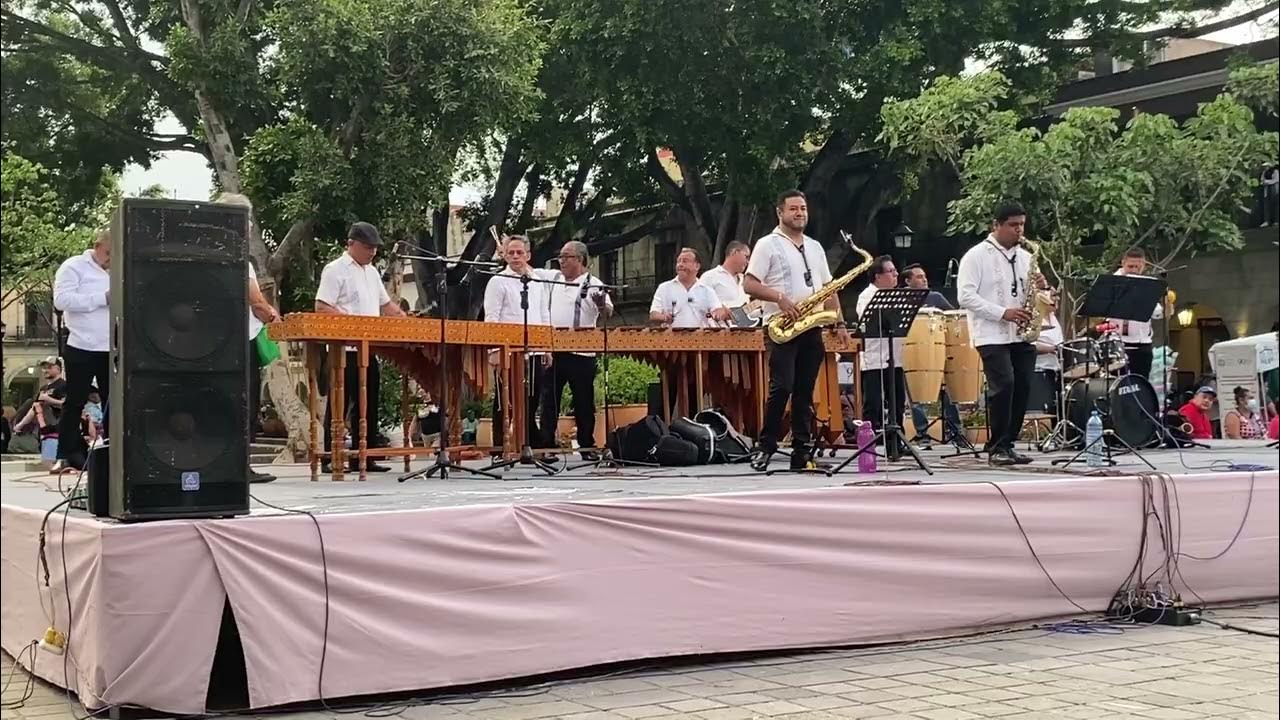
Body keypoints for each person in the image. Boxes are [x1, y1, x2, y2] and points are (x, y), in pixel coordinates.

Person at [743, 190, 851, 471]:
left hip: (811, 325)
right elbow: (749, 284)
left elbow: (829, 289)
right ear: (780, 213)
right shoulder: (767, 244)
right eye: (793, 209)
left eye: (803, 208)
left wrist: (838, 323)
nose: (800, 213)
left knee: (805, 390)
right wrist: (779, 298)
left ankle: (801, 451)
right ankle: (766, 446)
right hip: (781, 325)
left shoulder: (815, 246)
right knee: (782, 387)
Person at [315, 221, 406, 473]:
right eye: (367, 247)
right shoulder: (335, 270)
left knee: (368, 403)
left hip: (369, 348)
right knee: (339, 404)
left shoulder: (373, 272)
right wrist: (352, 324)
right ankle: (329, 456)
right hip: (343, 350)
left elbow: (386, 306)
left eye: (375, 248)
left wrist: (407, 322)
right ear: (351, 244)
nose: (372, 252)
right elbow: (322, 307)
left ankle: (363, 455)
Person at [956, 202, 1037, 466]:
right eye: (1013, 225)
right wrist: (1002, 312)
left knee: (1023, 386)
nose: (1019, 231)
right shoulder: (976, 256)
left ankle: (1008, 443)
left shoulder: (1026, 258)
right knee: (1004, 385)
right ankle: (997, 445)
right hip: (991, 333)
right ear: (996, 225)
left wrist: (1045, 295)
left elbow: (1030, 293)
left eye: (1022, 225)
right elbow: (965, 296)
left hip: (1021, 333)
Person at [543, 240, 613, 458]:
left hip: (581, 352)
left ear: (581, 259)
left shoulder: (593, 282)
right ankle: (546, 446)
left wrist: (601, 304)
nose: (562, 261)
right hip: (554, 349)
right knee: (549, 401)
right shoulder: (553, 279)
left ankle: (586, 445)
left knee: (583, 402)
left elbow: (608, 311)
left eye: (567, 257)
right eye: (560, 257)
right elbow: (527, 270)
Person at [484, 234, 553, 449]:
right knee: (505, 402)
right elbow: (492, 317)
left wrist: (546, 347)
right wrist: (494, 349)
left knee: (531, 400)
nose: (515, 256)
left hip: (533, 349)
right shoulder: (497, 281)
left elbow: (544, 314)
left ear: (528, 255)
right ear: (504, 255)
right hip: (507, 350)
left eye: (519, 252)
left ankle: (528, 444)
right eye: (511, 252)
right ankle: (499, 447)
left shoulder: (537, 281)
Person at [51, 231, 111, 471]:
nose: (110, 259)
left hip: (112, 346)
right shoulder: (74, 267)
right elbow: (61, 301)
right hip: (82, 344)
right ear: (96, 246)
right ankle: (67, 452)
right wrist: (101, 298)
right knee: (75, 400)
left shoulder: (118, 270)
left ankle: (112, 449)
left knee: (113, 401)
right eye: (108, 253)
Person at [900, 263, 960, 443]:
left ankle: (956, 431)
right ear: (908, 281)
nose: (924, 279)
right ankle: (922, 433)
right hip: (913, 351)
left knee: (947, 392)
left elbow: (953, 318)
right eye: (919, 277)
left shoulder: (936, 297)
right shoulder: (900, 299)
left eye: (924, 276)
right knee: (915, 394)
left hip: (936, 350)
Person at [856, 256, 907, 456]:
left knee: (897, 400)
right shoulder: (867, 296)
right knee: (874, 402)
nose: (896, 275)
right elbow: (867, 324)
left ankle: (896, 442)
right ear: (878, 276)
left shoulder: (895, 295)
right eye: (891, 272)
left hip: (894, 356)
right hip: (874, 358)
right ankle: (869, 445)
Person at [1110, 247, 1163, 381]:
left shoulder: (1146, 282)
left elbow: (1157, 313)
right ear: (1123, 263)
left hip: (1143, 342)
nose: (1134, 270)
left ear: (1144, 265)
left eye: (1137, 267)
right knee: (1120, 383)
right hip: (1119, 342)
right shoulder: (1112, 282)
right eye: (1130, 266)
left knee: (1141, 383)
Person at [650, 248, 725, 328]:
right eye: (678, 261)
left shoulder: (707, 291)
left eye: (685, 261)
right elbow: (653, 314)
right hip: (671, 338)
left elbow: (717, 311)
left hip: (700, 338)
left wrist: (720, 313)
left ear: (697, 266)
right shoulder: (664, 288)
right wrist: (664, 317)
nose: (680, 264)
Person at [700, 241, 752, 320]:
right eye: (746, 257)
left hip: (742, 331)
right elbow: (699, 303)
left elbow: (745, 315)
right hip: (716, 330)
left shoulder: (745, 281)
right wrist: (718, 310)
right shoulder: (710, 276)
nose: (748, 262)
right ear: (734, 252)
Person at [1033, 293, 1064, 422]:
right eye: (1053, 296)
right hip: (1041, 370)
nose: (1056, 299)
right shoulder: (1035, 318)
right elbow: (1030, 345)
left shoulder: (1053, 319)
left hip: (1056, 368)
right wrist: (1052, 349)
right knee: (1047, 406)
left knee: (1059, 404)